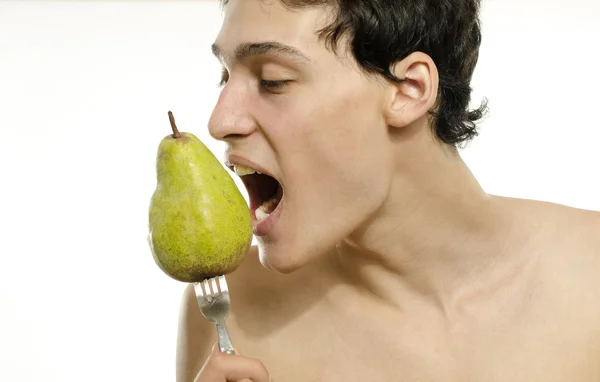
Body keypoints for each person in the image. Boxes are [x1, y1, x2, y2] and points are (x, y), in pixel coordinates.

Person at [176, 0, 600, 381]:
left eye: (273, 80)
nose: (219, 121)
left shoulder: (590, 279)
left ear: (409, 90)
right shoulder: (229, 313)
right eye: (225, 75)